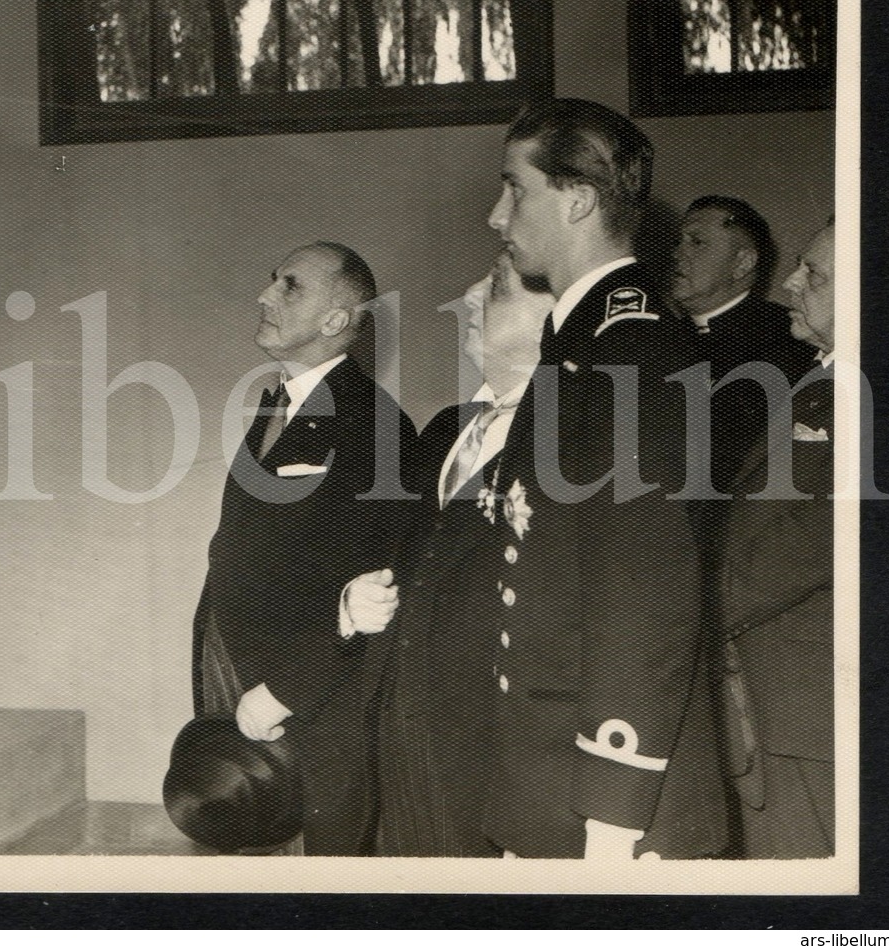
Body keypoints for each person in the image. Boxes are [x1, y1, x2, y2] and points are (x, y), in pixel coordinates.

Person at [347, 99, 728, 859]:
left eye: (514, 188)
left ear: (577, 198)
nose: (496, 214)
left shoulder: (630, 346)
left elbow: (642, 585)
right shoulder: (579, 341)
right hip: (544, 777)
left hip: (606, 793)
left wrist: (613, 812)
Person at [192, 241, 417, 855]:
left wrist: (285, 690)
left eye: (289, 285)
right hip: (243, 688)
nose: (265, 295)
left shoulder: (375, 424)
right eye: (272, 279)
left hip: (311, 711)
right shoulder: (279, 404)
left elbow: (378, 589)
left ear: (336, 320)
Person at [361, 251, 554, 857]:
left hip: (497, 750)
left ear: (558, 312)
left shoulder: (574, 435)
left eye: (496, 285)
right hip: (401, 730)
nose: (469, 295)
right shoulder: (447, 429)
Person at [716, 221, 836, 857]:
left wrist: (673, 611)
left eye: (814, 275)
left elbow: (812, 539)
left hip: (814, 721)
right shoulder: (818, 382)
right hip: (776, 711)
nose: (789, 282)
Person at [668, 196, 819, 541]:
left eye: (697, 242)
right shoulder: (654, 337)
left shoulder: (790, 341)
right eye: (678, 240)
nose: (678, 253)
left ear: (742, 264)